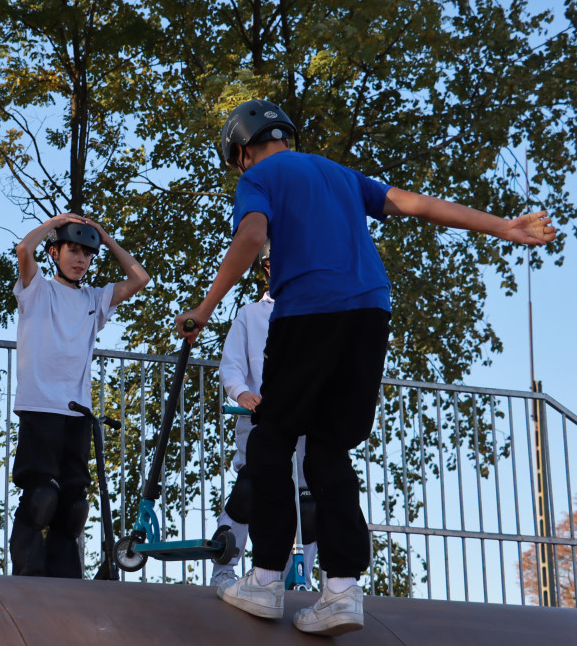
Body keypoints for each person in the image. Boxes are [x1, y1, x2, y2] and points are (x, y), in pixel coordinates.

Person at [176, 99, 556, 635]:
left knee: (271, 440)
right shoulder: (339, 173)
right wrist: (505, 228)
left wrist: (204, 307)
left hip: (310, 309)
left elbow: (253, 236)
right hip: (370, 313)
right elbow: (417, 204)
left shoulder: (258, 179)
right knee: (329, 449)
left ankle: (263, 580)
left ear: (241, 151)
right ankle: (341, 591)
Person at [10, 212, 149, 578]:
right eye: (72, 250)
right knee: (42, 498)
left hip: (78, 414)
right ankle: (26, 574)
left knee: (74, 506)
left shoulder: (94, 299)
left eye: (87, 253)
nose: (80, 259)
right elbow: (25, 248)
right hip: (40, 408)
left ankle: (66, 580)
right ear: (55, 252)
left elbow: (140, 278)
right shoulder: (38, 290)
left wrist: (104, 234)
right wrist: (55, 221)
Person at [211, 240, 317, 590]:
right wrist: (241, 393)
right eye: (276, 263)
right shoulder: (250, 315)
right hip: (260, 421)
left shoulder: (314, 312)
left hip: (305, 424)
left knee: (307, 500)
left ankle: (298, 578)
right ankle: (224, 570)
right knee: (249, 491)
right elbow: (232, 366)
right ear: (267, 268)